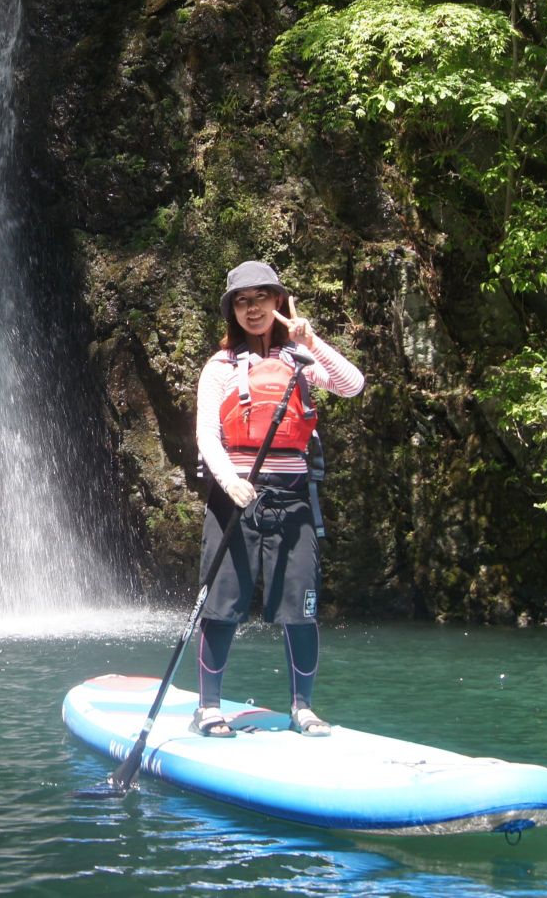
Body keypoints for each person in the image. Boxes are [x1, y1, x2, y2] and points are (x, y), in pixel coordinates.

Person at [189, 260, 364, 737]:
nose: (252, 309)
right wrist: (230, 481)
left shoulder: (301, 359)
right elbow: (206, 434)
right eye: (242, 302)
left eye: (261, 298)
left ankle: (302, 708)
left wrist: (313, 341)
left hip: (291, 499)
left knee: (300, 608)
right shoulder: (220, 367)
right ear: (232, 311)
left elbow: (353, 385)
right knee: (222, 606)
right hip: (235, 498)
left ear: (278, 302)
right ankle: (208, 708)